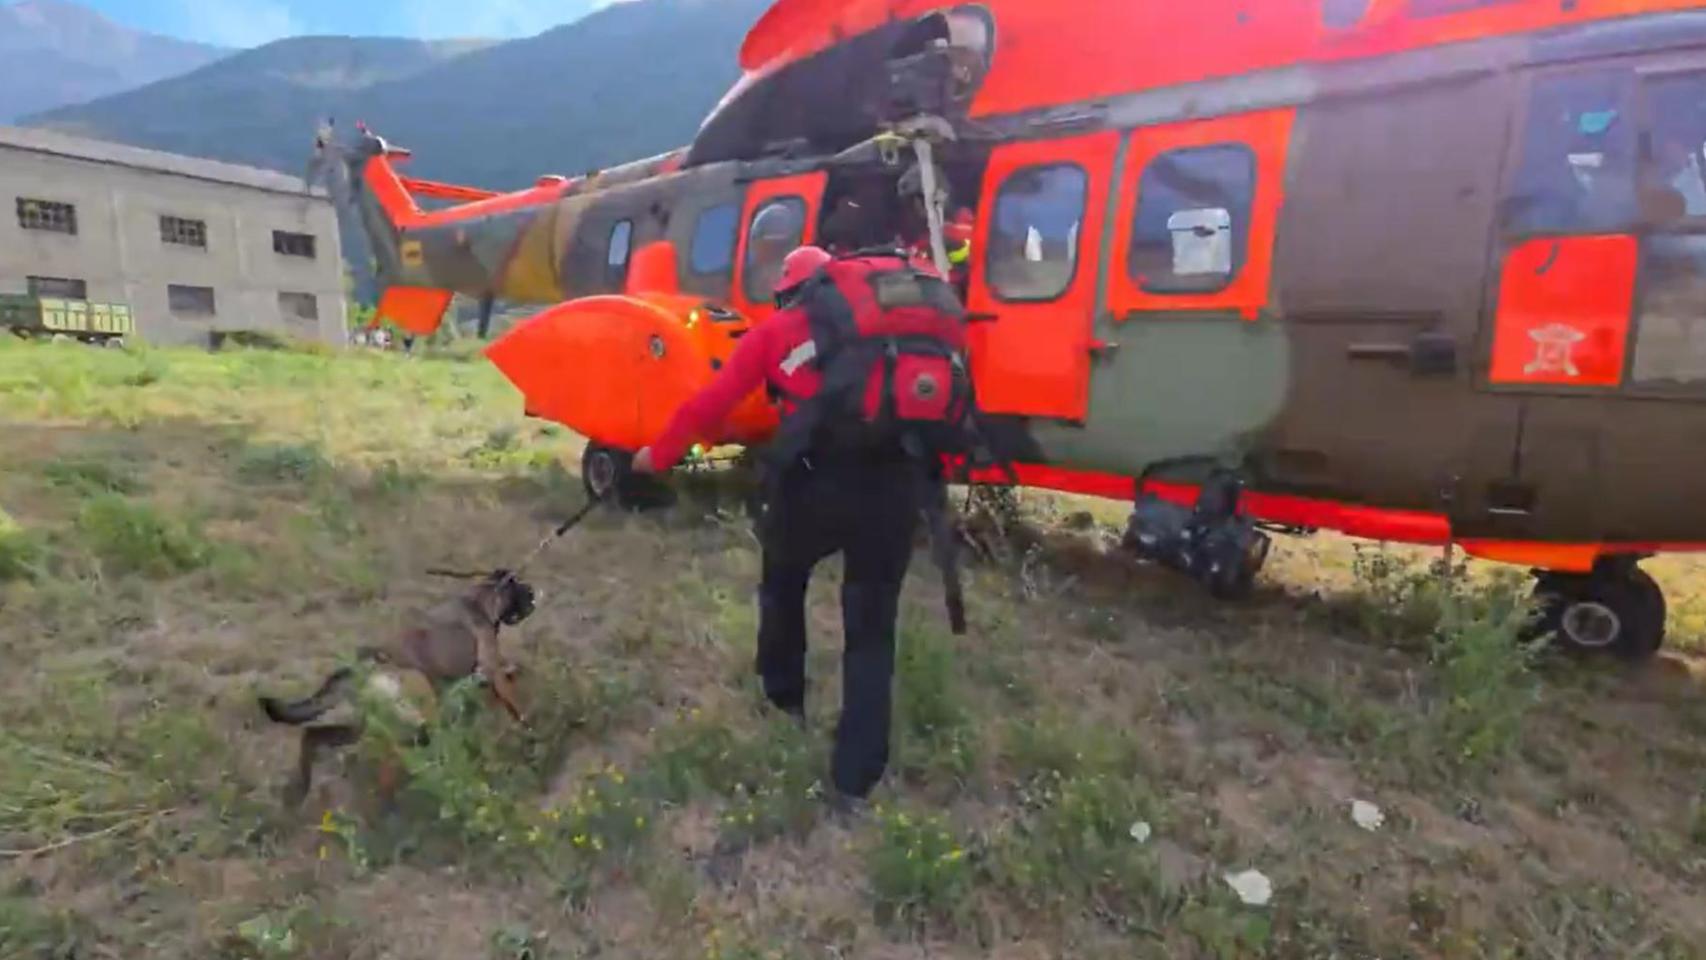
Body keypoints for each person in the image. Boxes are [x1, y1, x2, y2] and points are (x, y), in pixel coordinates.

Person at [632, 244, 966, 809]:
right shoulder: (896, 329)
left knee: (783, 586)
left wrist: (654, 458)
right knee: (871, 629)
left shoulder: (776, 332)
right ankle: (855, 779)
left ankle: (784, 699)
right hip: (894, 487)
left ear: (789, 289)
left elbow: (709, 405)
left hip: (814, 484)